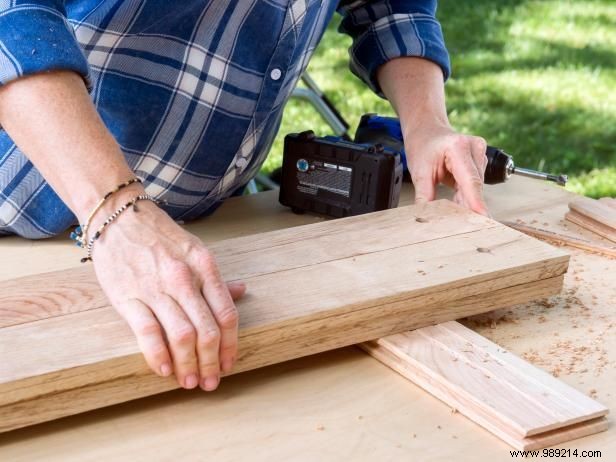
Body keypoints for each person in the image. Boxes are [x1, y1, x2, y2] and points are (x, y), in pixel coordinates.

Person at [0, 1, 489, 392]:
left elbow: (391, 8)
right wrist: (116, 211)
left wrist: (426, 125)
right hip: (21, 228)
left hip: (196, 234)